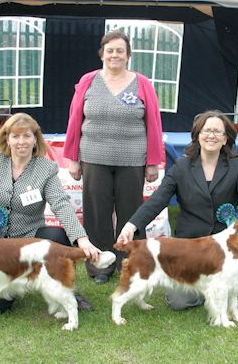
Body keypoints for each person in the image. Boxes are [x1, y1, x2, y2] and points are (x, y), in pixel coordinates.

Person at [117, 110, 238, 309]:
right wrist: (131, 225)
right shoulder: (181, 166)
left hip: (225, 241)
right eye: (207, 130)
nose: (211, 135)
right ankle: (210, 287)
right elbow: (158, 199)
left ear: (225, 139)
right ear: (197, 135)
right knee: (181, 303)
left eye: (218, 132)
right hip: (190, 244)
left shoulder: (235, 165)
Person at [0, 113, 100, 312]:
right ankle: (15, 285)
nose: (21, 142)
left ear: (36, 140)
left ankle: (68, 291)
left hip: (29, 239)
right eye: (15, 136)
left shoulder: (46, 168)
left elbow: (60, 204)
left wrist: (81, 239)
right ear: (7, 139)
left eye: (27, 136)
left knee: (56, 236)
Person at [64, 30, 163, 285]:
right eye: (110, 50)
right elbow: (75, 119)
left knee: (131, 214)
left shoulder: (142, 83)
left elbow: (153, 122)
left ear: (128, 55)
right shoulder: (88, 81)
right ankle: (100, 266)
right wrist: (72, 157)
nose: (115, 55)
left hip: (133, 159)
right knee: (97, 214)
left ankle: (129, 263)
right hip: (93, 157)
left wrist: (153, 161)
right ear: (102, 54)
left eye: (120, 50)